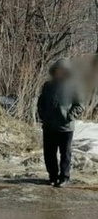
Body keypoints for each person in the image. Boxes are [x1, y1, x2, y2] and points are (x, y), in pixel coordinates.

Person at [37, 58, 84, 187]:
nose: (60, 72)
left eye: (63, 70)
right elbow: (41, 103)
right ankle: (52, 176)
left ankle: (64, 177)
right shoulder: (48, 86)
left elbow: (80, 105)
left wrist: (70, 116)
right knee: (49, 153)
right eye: (58, 70)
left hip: (66, 127)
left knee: (65, 154)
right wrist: (42, 115)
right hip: (49, 126)